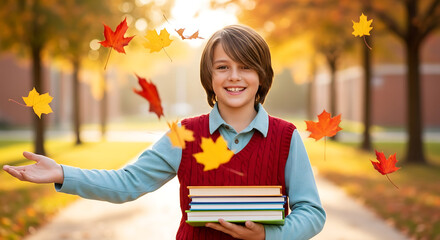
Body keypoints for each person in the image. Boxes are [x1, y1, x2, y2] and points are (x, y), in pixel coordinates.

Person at [3, 25, 325, 239]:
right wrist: (62, 173)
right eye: (223, 67)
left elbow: (310, 212)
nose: (234, 77)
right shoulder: (183, 133)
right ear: (209, 76)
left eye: (246, 67)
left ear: (262, 75)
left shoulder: (285, 137)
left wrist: (267, 235)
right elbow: (128, 183)